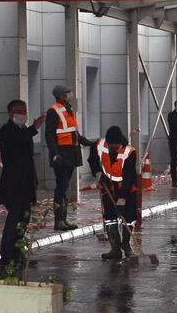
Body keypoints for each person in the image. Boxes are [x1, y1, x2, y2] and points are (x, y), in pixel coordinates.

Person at [0, 99, 40, 275]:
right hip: (13, 183)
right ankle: (7, 255)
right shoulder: (7, 131)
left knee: (24, 220)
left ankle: (18, 252)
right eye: (19, 111)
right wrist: (34, 128)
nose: (22, 115)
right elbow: (16, 145)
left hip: (26, 183)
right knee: (14, 219)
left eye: (24, 111)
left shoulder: (23, 130)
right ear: (10, 114)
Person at [44, 86, 96, 230]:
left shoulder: (69, 111)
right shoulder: (54, 111)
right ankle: (58, 221)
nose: (70, 95)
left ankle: (63, 219)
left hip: (71, 152)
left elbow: (74, 134)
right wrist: (54, 153)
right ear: (60, 96)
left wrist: (89, 143)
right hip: (61, 154)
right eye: (67, 93)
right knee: (61, 186)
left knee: (65, 186)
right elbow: (49, 135)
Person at [93, 126, 142, 260]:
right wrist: (98, 174)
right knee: (110, 217)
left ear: (120, 142)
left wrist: (122, 199)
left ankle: (126, 245)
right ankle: (115, 249)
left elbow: (129, 177)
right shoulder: (100, 145)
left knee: (129, 217)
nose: (113, 146)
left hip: (127, 188)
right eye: (111, 144)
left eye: (116, 144)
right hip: (108, 186)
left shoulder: (129, 152)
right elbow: (92, 159)